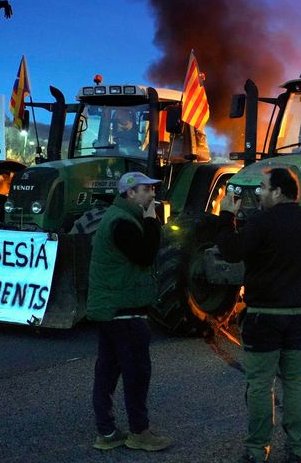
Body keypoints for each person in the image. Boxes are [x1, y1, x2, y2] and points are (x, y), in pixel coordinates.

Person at [213, 167, 301, 463]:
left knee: (260, 384)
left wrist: (226, 216)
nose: (259, 194)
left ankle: (257, 450)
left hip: (263, 316)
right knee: (296, 382)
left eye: (264, 188)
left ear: (278, 191)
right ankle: (298, 450)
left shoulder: (261, 223)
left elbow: (231, 251)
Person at [87, 172, 173, 452]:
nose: (152, 195)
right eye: (146, 190)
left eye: (152, 190)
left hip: (112, 309)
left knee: (108, 372)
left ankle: (107, 433)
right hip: (124, 311)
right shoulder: (123, 223)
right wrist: (151, 220)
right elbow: (145, 255)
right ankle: (139, 432)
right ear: (130, 193)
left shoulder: (117, 217)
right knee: (136, 374)